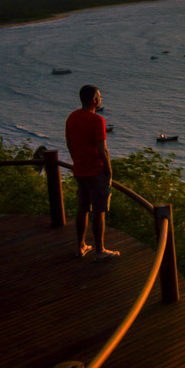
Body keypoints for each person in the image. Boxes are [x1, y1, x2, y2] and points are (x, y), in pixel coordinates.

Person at [65, 85, 119, 261]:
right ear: (94, 100)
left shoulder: (72, 117)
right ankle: (100, 250)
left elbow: (69, 144)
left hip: (80, 170)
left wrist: (76, 161)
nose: (101, 99)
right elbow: (102, 149)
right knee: (99, 211)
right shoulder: (97, 121)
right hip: (96, 171)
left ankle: (81, 246)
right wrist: (109, 172)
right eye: (100, 97)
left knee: (82, 209)